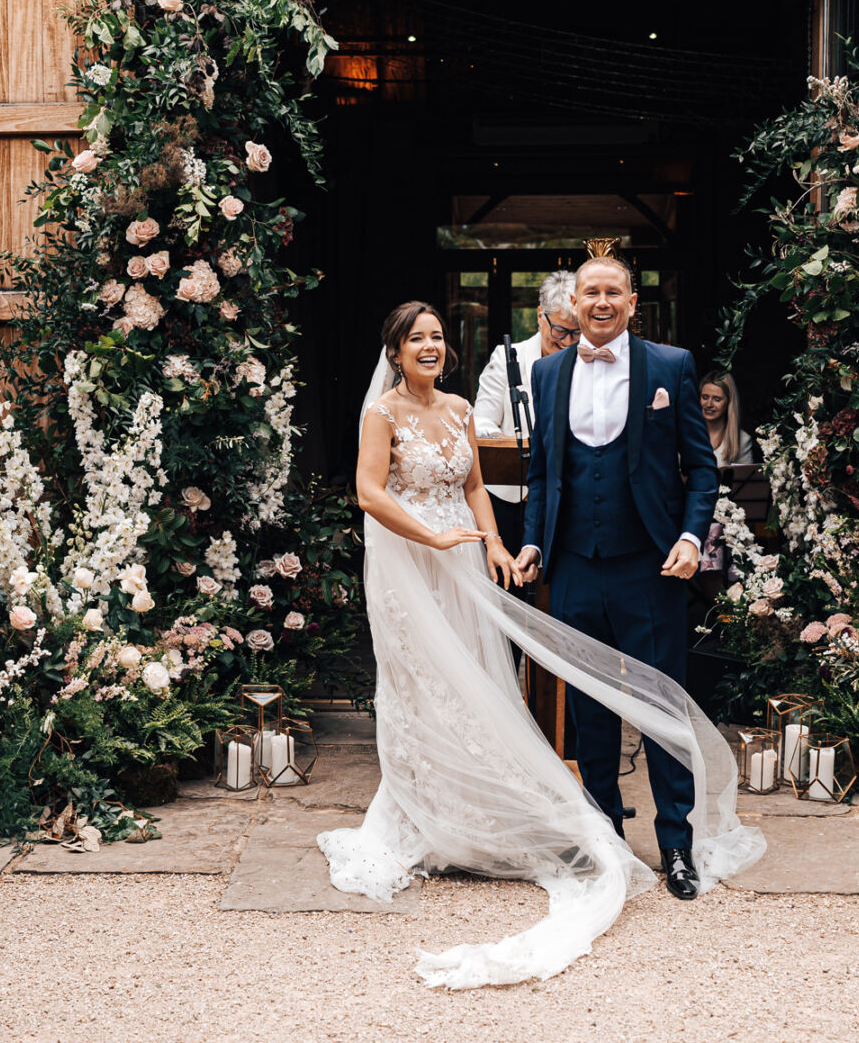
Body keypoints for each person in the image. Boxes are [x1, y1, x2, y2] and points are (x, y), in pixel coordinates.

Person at [319, 301, 762, 990]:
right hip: (410, 564)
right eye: (418, 340)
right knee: (421, 683)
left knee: (474, 678)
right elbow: (368, 492)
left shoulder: (462, 407)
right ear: (396, 351)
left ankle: (479, 805)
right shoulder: (382, 414)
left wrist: (493, 542)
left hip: (465, 558)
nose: (431, 347)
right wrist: (433, 537)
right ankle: (420, 811)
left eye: (437, 337)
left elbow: (472, 485)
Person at [512, 251, 725, 901]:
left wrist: (691, 537)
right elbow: (543, 475)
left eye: (613, 292)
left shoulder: (670, 366)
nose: (601, 303)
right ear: (573, 305)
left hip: (649, 567)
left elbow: (702, 468)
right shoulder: (546, 374)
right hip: (574, 566)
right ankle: (605, 840)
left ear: (632, 302)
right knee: (588, 711)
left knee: (661, 709)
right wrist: (531, 546)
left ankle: (677, 847)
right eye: (590, 293)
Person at [472, 270, 579, 550]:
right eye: (560, 331)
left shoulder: (589, 362)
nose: (568, 341)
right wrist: (516, 457)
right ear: (539, 315)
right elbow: (481, 423)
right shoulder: (508, 358)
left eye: (577, 332)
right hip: (512, 499)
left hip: (571, 497)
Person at [699, 370, 755, 466]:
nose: (709, 404)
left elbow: (745, 479)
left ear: (729, 403)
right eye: (705, 397)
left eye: (717, 399)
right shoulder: (685, 433)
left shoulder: (743, 440)